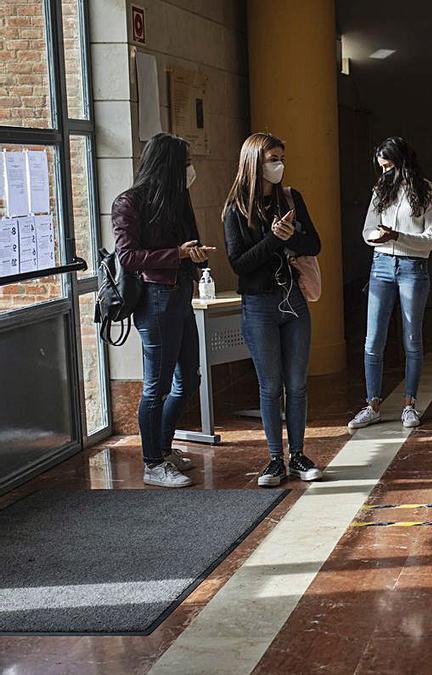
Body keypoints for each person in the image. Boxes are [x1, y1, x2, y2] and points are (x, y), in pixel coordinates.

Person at [222, 133, 324, 487]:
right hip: (259, 305)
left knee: (297, 384)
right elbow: (239, 264)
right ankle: (274, 459)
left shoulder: (291, 198)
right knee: (270, 386)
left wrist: (291, 236)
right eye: (272, 159)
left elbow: (314, 243)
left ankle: (298, 454)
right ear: (254, 163)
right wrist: (274, 240)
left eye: (281, 157)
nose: (279, 165)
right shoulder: (235, 209)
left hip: (292, 300)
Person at [112, 132, 212, 488]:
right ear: (168, 165)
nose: (191, 170)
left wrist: (195, 256)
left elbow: (188, 243)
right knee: (155, 386)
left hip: (181, 293)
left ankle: (165, 449)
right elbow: (128, 257)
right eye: (185, 163)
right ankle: (152, 463)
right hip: (155, 299)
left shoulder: (178, 199)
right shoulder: (129, 203)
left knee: (189, 380)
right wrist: (179, 254)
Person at [348, 137, 432, 430]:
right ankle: (372, 404)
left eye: (388, 166)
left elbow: (431, 239)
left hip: (413, 267)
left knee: (411, 337)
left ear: (403, 162)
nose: (385, 172)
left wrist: (397, 236)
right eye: (381, 167)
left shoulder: (430, 191)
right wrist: (379, 237)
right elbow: (367, 230)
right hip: (381, 265)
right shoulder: (381, 189)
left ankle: (410, 405)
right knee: (373, 338)